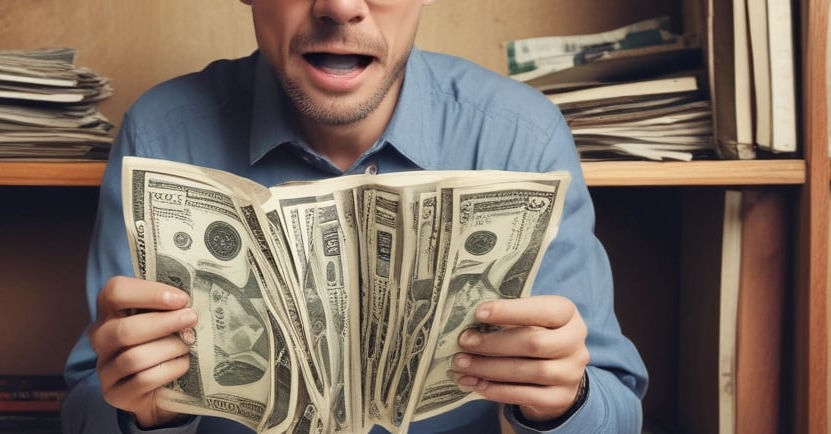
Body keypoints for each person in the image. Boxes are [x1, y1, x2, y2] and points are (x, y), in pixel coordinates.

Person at [61, 0, 648, 432]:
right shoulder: (162, 134)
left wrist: (564, 403)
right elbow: (87, 402)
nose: (340, 6)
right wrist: (146, 413)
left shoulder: (520, 138)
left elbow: (619, 410)